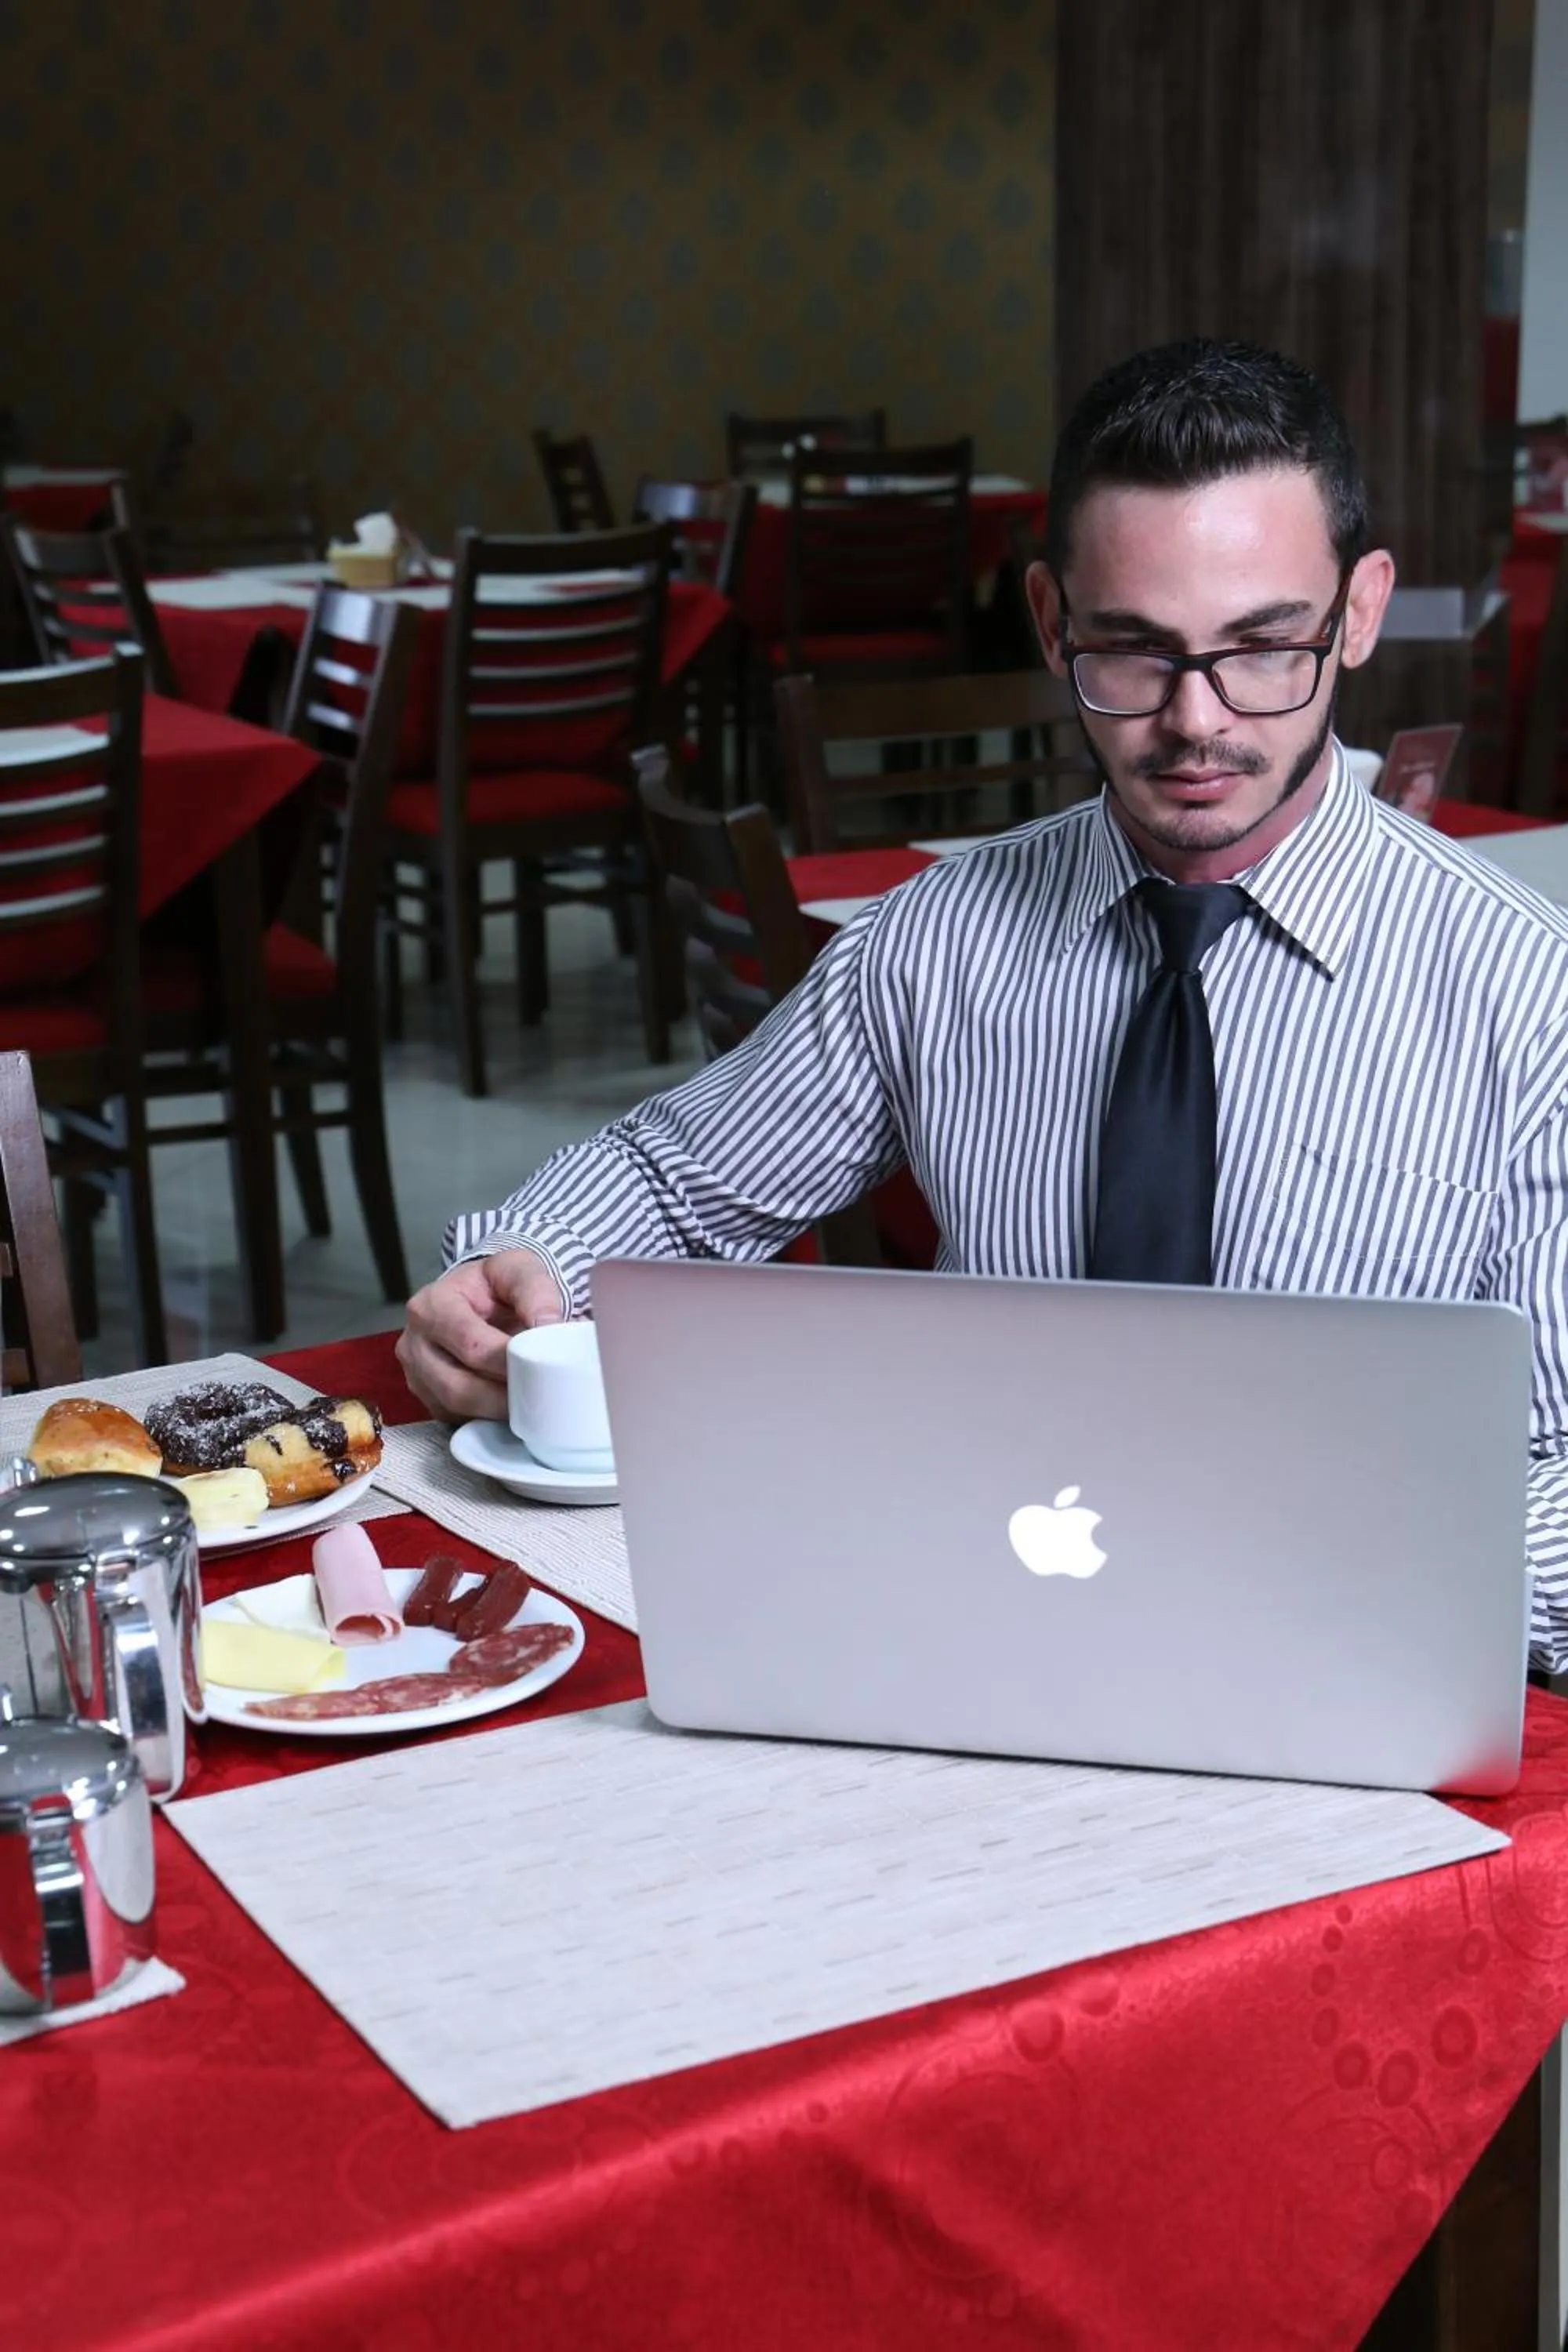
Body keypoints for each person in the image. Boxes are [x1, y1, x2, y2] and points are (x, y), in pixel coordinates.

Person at [400, 336, 1568, 1668]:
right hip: (971, 1638)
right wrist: (513, 1277)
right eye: (1130, 654)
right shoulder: (936, 944)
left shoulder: (1533, 1004)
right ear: (1053, 621)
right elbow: (675, 1185)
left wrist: (1266, 1544)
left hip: (1332, 1662)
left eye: (1263, 648)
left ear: (1358, 613)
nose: (1196, 723)